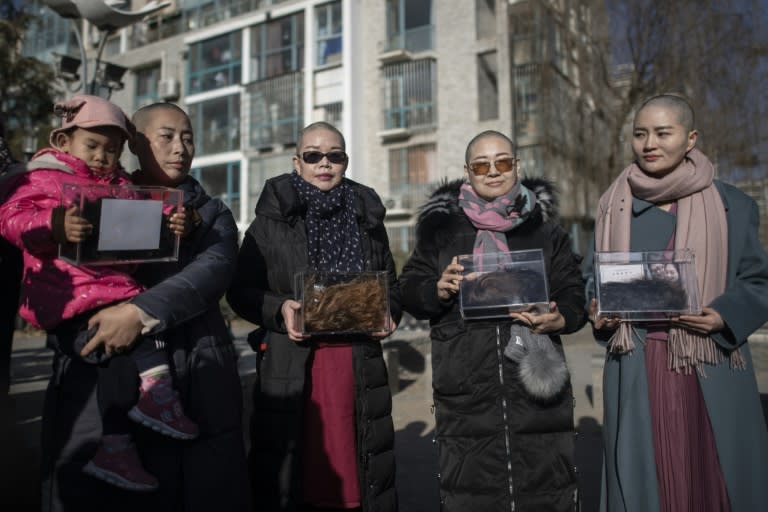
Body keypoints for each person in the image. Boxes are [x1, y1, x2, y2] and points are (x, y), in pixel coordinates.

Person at [35, 102, 250, 511]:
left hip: (198, 370)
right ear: (135, 144)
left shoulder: (211, 212)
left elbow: (212, 272)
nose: (180, 148)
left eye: (188, 137)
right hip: (105, 364)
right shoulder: (91, 201)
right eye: (166, 136)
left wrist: (136, 314)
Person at [0, 95, 199, 492]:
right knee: (118, 358)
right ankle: (152, 403)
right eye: (92, 146)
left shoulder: (122, 184)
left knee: (126, 361)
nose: (102, 158)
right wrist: (53, 224)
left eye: (112, 150)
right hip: (68, 298)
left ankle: (116, 445)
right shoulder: (42, 178)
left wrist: (178, 218)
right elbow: (12, 218)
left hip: (113, 292)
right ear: (62, 141)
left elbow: (145, 212)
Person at [589, 94, 768, 511]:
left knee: (715, 477)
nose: (649, 143)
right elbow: (591, 279)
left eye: (662, 133)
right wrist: (597, 307)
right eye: (640, 134)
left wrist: (724, 315)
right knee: (649, 481)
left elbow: (758, 280)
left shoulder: (734, 206)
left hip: (711, 363)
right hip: (639, 364)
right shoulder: (613, 206)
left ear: (690, 139)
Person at [398, 130, 587, 511]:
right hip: (466, 388)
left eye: (502, 162)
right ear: (468, 172)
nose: (493, 172)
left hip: (536, 385)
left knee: (546, 492)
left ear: (517, 166)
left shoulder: (545, 231)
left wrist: (561, 316)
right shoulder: (441, 233)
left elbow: (573, 291)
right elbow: (408, 289)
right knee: (472, 495)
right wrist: (437, 289)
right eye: (482, 165)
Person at [227, 121, 401, 512]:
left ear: (345, 161)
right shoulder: (269, 223)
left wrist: (390, 310)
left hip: (358, 363)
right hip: (294, 362)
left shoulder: (367, 218)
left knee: (360, 474)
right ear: (297, 162)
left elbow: (392, 285)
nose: (325, 164)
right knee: (296, 478)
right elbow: (240, 292)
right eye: (313, 155)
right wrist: (280, 308)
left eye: (335, 156)